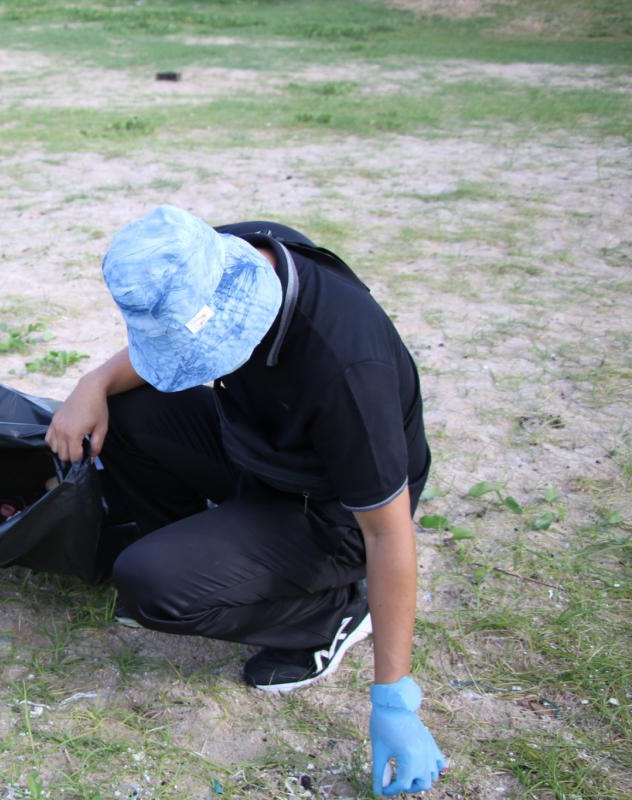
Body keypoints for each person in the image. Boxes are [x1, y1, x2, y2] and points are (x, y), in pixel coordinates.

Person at [46, 206, 445, 796]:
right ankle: (218, 555)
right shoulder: (223, 251)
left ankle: (329, 615)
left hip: (332, 513)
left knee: (151, 583)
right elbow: (170, 337)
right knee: (125, 412)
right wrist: (94, 384)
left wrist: (395, 701)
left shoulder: (345, 368)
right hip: (259, 446)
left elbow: (387, 532)